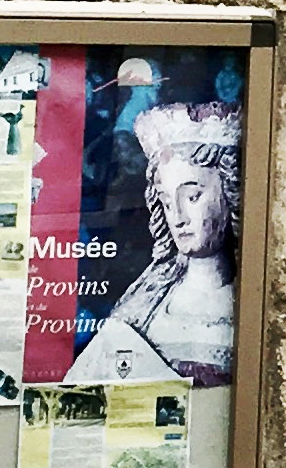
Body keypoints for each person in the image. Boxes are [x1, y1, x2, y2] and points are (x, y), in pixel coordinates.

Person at [89, 98, 242, 383]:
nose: (178, 218)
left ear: (229, 190)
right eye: (168, 203)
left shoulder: (248, 300)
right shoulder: (142, 304)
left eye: (192, 197)